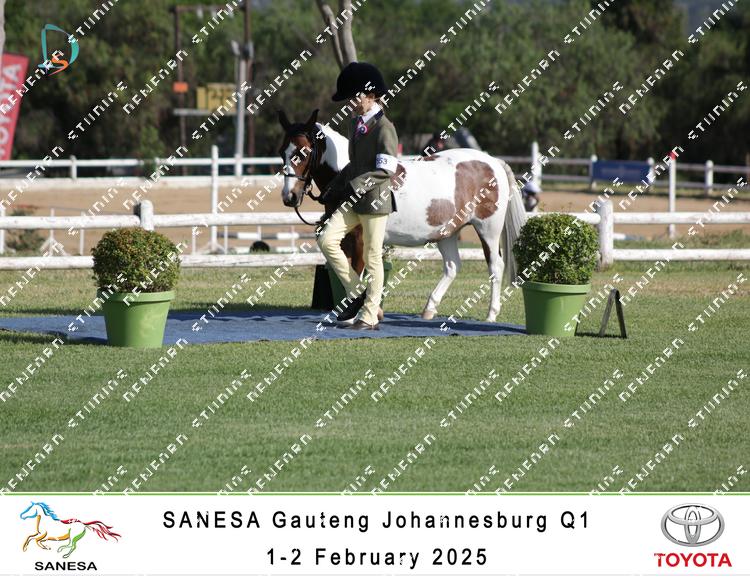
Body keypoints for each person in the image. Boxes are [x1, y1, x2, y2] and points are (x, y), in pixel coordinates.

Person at [317, 62, 399, 331]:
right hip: (354, 199)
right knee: (327, 239)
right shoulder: (355, 124)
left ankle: (370, 313)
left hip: (375, 200)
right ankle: (357, 294)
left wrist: (355, 184)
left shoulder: (385, 127)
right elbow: (354, 164)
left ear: (371, 95)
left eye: (355, 98)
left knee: (373, 256)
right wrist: (334, 186)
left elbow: (386, 169)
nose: (350, 103)